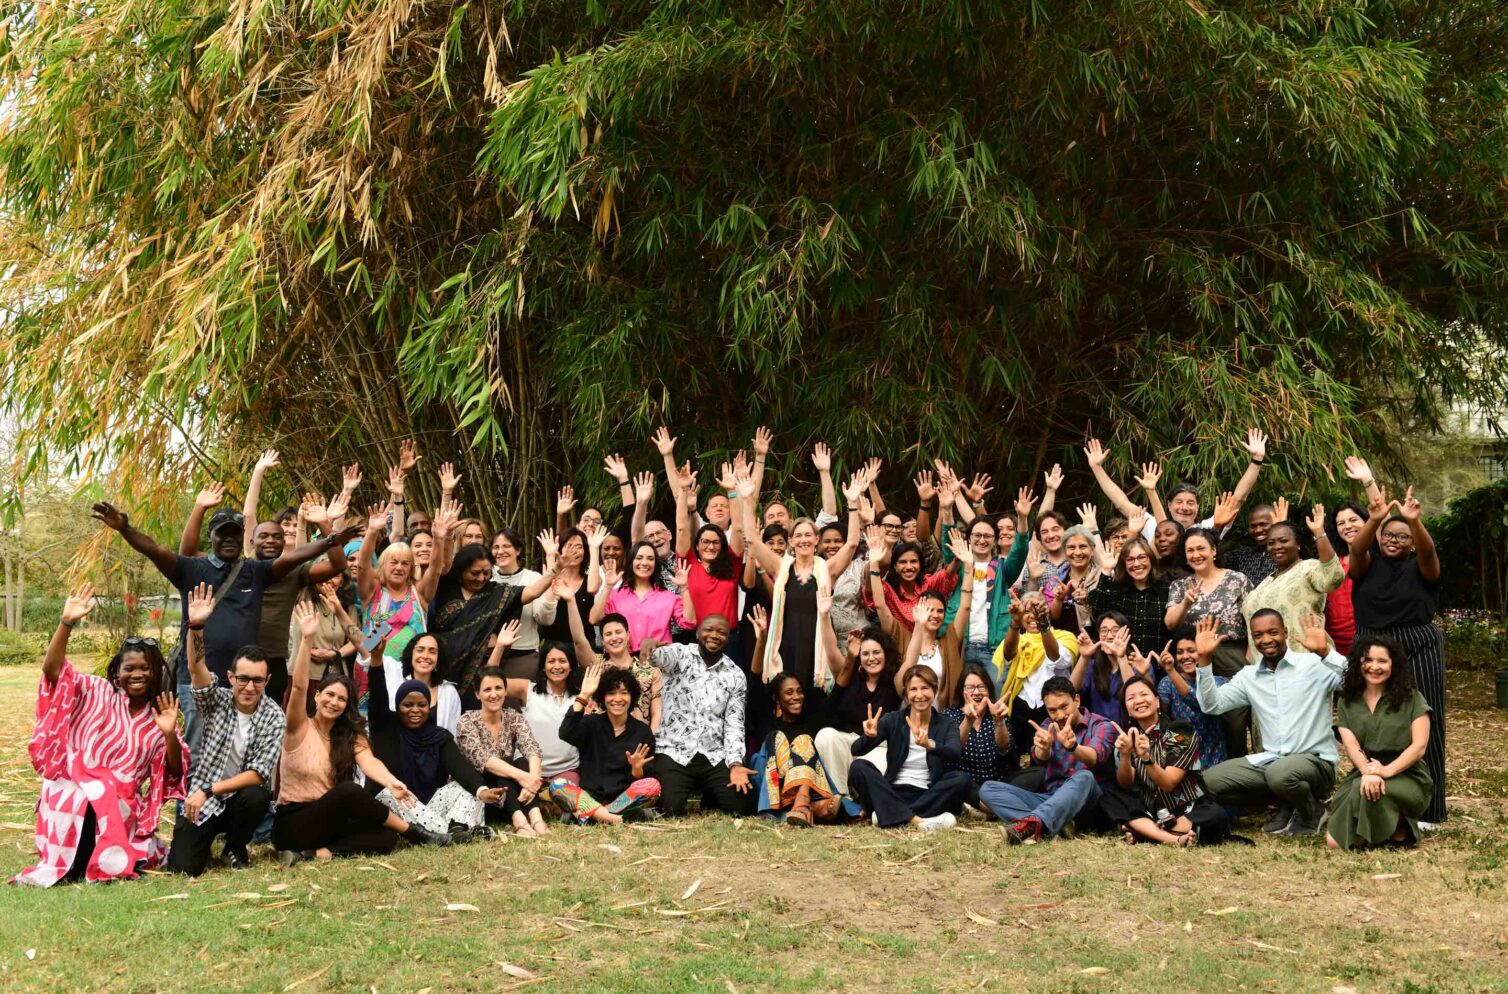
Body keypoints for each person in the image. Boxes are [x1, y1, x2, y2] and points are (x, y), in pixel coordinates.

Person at [91, 499, 356, 751]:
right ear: (211, 536)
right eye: (222, 533)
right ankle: (190, 800)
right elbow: (153, 549)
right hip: (196, 679)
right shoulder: (189, 568)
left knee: (240, 747)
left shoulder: (255, 571)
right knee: (198, 749)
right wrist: (125, 528)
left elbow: (294, 558)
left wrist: (331, 540)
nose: (229, 539)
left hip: (242, 682)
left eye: (234, 534)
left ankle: (231, 798)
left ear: (243, 537)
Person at [13, 584, 186, 886]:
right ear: (116, 672)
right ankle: (78, 863)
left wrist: (170, 734)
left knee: (110, 797)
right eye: (129, 668)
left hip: (123, 804)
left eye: (145, 668)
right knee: (87, 794)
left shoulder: (160, 714)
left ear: (155, 671)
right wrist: (67, 623)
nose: (137, 674)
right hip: (73, 786)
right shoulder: (96, 691)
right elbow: (53, 672)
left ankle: (99, 860)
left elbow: (172, 772)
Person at [273, 602, 451, 863]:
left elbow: (369, 762)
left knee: (386, 837)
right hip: (293, 821)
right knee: (348, 791)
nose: (334, 702)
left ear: (348, 706)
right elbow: (299, 688)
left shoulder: (348, 735)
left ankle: (317, 853)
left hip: (328, 820)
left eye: (341, 699)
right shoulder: (298, 726)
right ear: (318, 695)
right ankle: (418, 834)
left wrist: (391, 782)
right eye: (329, 695)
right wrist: (306, 640)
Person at [183, 480, 351, 708]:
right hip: (237, 661)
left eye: (277, 536)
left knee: (267, 725)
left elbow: (338, 565)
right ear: (251, 541)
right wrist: (200, 507)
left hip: (274, 660)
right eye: (264, 536)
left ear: (285, 542)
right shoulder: (237, 567)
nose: (270, 540)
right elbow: (188, 554)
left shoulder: (295, 572)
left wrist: (324, 524)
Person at [1346, 483, 1447, 826]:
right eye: (1389, 534)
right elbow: (1356, 551)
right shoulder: (1366, 565)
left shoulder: (1422, 567)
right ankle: (1375, 793)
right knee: (1372, 720)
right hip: (1371, 644)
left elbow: (1429, 554)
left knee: (1424, 720)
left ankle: (1430, 810)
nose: (1394, 540)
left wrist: (1413, 522)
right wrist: (1374, 521)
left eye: (1402, 537)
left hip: (1418, 642)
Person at [169, 583, 287, 875]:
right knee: (183, 868)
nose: (249, 687)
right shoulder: (216, 700)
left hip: (232, 798)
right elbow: (197, 669)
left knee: (257, 795)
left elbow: (259, 774)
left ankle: (236, 844)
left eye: (257, 681)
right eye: (243, 679)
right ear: (231, 677)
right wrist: (196, 626)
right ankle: (203, 838)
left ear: (267, 680)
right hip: (202, 799)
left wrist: (210, 790)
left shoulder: (273, 715)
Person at [1194, 611, 1345, 836]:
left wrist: (1325, 652)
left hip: (1316, 763)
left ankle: (1313, 810)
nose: (1266, 640)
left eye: (1273, 632)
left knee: (1280, 774)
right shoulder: (1249, 676)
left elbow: (1355, 681)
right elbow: (1212, 705)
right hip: (1273, 761)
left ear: (1285, 632)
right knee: (1209, 782)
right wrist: (1204, 659)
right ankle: (1287, 804)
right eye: (1258, 635)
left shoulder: (1313, 665)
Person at [740, 462, 866, 711]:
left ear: (816, 540)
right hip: (785, 640)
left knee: (812, 695)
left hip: (816, 640)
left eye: (809, 535)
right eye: (799, 535)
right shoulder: (780, 566)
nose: (804, 539)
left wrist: (852, 503)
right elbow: (753, 540)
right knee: (785, 693)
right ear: (791, 541)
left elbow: (852, 543)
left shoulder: (826, 569)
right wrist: (746, 500)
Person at [1326, 636, 1433, 850]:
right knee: (1334, 843)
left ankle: (1400, 823)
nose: (1374, 667)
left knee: (1363, 790)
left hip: (1407, 774)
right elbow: (1351, 745)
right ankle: (1392, 831)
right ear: (1358, 663)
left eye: (1382, 661)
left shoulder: (1412, 698)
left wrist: (1384, 772)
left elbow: (1419, 747)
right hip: (1366, 772)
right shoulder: (1348, 700)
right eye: (1368, 660)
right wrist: (1368, 771)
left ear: (1394, 665)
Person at [980, 676, 1116, 843]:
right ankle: (1051, 822)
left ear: (1077, 700)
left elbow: (1093, 758)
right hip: (1053, 799)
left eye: (1064, 707)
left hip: (1090, 804)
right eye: (1052, 710)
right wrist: (1042, 748)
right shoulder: (1048, 725)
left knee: (1084, 777)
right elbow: (1040, 757)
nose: (1059, 715)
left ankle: (1036, 823)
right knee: (988, 789)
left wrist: (1073, 747)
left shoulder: (1102, 726)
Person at [641, 616, 755, 816]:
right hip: (674, 751)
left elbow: (734, 724)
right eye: (709, 630)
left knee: (742, 807)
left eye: (721, 632)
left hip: (713, 754)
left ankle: (711, 795)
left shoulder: (735, 675)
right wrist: (650, 646)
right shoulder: (681, 654)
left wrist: (735, 764)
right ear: (697, 633)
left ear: (728, 638)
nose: (714, 636)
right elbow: (659, 657)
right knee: (669, 809)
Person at [1099, 677, 1230, 845]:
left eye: (1144, 694)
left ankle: (1145, 832)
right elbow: (1125, 783)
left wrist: (1146, 758)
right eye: (1131, 698)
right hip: (1152, 810)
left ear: (1157, 702)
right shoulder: (1129, 737)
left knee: (1216, 816)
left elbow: (1169, 782)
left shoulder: (1179, 730)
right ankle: (1173, 839)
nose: (1138, 701)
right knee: (1109, 798)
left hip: (1187, 810)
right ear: (1127, 710)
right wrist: (1125, 755)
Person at [1164, 527, 1253, 757]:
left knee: (1235, 718)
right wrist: (1185, 603)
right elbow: (1170, 623)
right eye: (1190, 550)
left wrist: (1251, 652)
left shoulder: (1237, 579)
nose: (1196, 554)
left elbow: (1254, 618)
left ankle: (1238, 771)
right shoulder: (1180, 586)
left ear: (1213, 550)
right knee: (1201, 715)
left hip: (1232, 654)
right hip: (1196, 658)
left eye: (1201, 548)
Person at [847, 666, 971, 830]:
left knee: (962, 779)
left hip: (927, 794)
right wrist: (868, 737)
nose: (919, 695)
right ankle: (917, 821)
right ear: (906, 694)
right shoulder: (893, 720)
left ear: (934, 690)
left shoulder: (946, 723)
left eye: (925, 688)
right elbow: (856, 750)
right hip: (892, 791)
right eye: (913, 689)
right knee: (858, 767)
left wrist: (930, 744)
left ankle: (889, 814)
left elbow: (955, 753)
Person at [433, 541, 555, 705]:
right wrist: (442, 537)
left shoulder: (497, 592)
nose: (481, 578)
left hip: (479, 676)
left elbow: (532, 592)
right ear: (461, 571)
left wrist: (556, 568)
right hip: (442, 672)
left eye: (486, 572)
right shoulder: (445, 588)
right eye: (475, 573)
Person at [550, 665, 661, 824]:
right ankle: (612, 819)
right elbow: (566, 732)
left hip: (622, 801)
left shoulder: (643, 732)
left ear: (632, 697)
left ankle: (592, 816)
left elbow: (646, 780)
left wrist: (637, 769)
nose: (617, 699)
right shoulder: (590, 724)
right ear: (603, 697)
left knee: (653, 786)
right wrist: (584, 694)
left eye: (624, 693)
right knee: (557, 785)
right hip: (590, 797)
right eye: (611, 693)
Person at [937, 492, 1032, 676]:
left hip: (994, 650)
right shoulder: (958, 563)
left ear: (995, 540)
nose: (982, 540)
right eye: (977, 535)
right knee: (958, 702)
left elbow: (1020, 550)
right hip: (959, 646)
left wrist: (1022, 518)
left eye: (988, 536)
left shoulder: (1002, 569)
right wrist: (947, 510)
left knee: (996, 702)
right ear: (969, 538)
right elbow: (949, 540)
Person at [454, 668, 552, 836]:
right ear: (477, 694)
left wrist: (533, 782)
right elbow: (484, 760)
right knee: (505, 762)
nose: (494, 694)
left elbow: (532, 748)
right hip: (484, 793)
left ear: (506, 691)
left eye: (498, 688)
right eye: (487, 689)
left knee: (523, 762)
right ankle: (519, 821)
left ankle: (536, 819)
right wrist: (523, 777)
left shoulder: (513, 716)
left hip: (514, 793)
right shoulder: (466, 721)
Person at [1242, 501, 1342, 657]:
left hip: (1304, 660)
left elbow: (1332, 577)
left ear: (1298, 544)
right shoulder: (1265, 582)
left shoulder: (1308, 568)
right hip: (1266, 668)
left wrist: (1319, 533)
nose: (1276, 547)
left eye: (1283, 541)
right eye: (1271, 543)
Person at [751, 674, 851, 826]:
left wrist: (851, 656)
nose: (796, 696)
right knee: (778, 737)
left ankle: (803, 804)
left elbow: (838, 692)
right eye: (789, 692)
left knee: (804, 740)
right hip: (772, 789)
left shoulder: (810, 725)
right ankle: (813, 807)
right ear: (777, 699)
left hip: (807, 789)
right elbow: (755, 679)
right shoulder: (767, 723)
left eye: (799, 691)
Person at [814, 626, 903, 797]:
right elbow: (831, 650)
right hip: (848, 742)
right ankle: (840, 799)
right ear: (859, 658)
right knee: (826, 735)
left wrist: (920, 627)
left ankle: (864, 800)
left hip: (878, 746)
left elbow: (911, 660)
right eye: (865, 654)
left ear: (886, 654)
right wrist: (824, 616)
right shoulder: (850, 676)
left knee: (880, 765)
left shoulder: (896, 682)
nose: (871, 658)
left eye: (876, 652)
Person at [993, 591, 1078, 758]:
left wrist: (1044, 625)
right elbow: (1008, 653)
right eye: (1026, 612)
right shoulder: (1017, 638)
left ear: (1047, 611)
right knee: (1019, 757)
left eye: (1038, 610)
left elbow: (1057, 657)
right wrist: (1015, 623)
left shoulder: (1065, 637)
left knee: (1055, 756)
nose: (1032, 616)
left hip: (1053, 709)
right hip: (1021, 705)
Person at [509, 619, 583, 792]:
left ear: (571, 666)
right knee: (527, 795)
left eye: (562, 661)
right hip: (528, 767)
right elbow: (490, 681)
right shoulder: (527, 689)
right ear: (543, 666)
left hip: (565, 770)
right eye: (551, 661)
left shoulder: (581, 697)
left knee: (564, 797)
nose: (557, 666)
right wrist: (499, 647)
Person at [590, 540, 696, 651]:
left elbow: (689, 623)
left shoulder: (668, 597)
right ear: (631, 562)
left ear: (655, 564)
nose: (644, 563)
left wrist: (684, 588)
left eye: (650, 559)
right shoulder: (615, 595)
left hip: (658, 661)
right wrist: (607, 586)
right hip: (624, 661)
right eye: (639, 558)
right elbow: (594, 619)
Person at [1155, 630, 1228, 771]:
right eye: (1180, 652)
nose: (1185, 656)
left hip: (1215, 754)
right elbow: (1159, 717)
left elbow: (1201, 702)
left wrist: (1171, 671)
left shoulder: (1220, 682)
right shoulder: (1167, 683)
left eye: (1191, 651)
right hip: (1181, 756)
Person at [940, 666, 1016, 799]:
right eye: (970, 687)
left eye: (981, 687)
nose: (976, 692)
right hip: (966, 784)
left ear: (989, 690)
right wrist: (968, 720)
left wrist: (999, 721)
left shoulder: (998, 713)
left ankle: (992, 803)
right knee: (958, 782)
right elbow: (952, 750)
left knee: (1037, 774)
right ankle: (993, 804)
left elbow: (1005, 748)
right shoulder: (949, 715)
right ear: (961, 691)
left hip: (998, 783)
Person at [1088, 536, 1170, 652]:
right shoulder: (1115, 589)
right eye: (1130, 559)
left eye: (1142, 557)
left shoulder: (1166, 589)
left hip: (1159, 664)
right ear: (1124, 564)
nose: (1136, 564)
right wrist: (1106, 571)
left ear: (1151, 559)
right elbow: (1097, 612)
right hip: (1123, 663)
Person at [382, 632, 464, 733]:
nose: (425, 656)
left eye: (432, 652)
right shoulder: (394, 672)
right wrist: (370, 640)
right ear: (411, 653)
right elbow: (367, 655)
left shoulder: (449, 692)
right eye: (420, 650)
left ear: (439, 658)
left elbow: (453, 734)